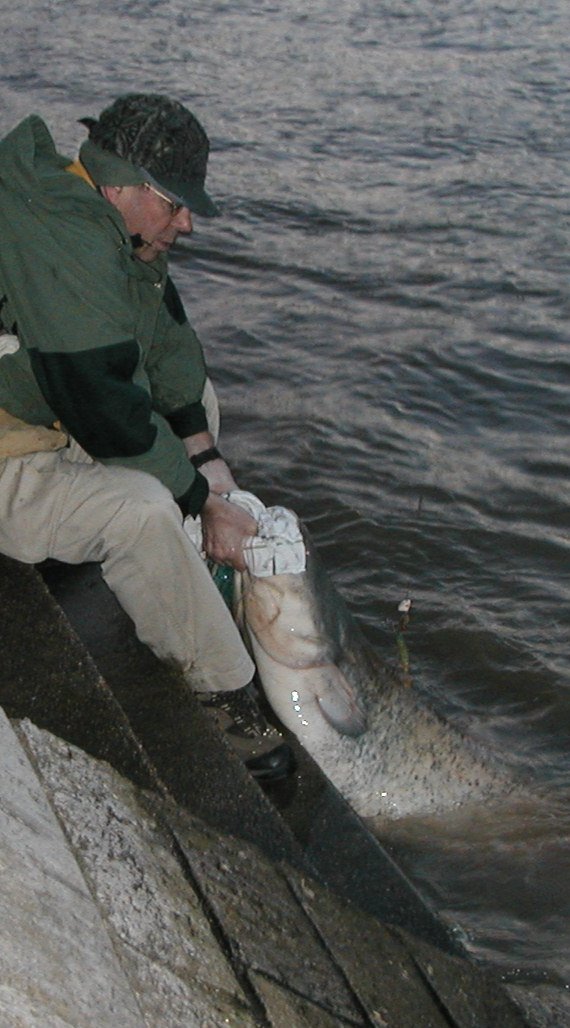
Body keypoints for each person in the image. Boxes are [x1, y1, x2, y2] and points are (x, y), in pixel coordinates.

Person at [0, 93, 293, 781]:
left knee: (197, 408)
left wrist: (206, 454)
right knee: (143, 512)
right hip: (9, 452)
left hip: (35, 412)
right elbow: (104, 407)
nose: (187, 222)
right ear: (123, 185)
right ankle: (229, 708)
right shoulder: (61, 234)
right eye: (175, 204)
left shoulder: (103, 217)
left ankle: (176, 570)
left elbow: (161, 342)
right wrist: (199, 498)